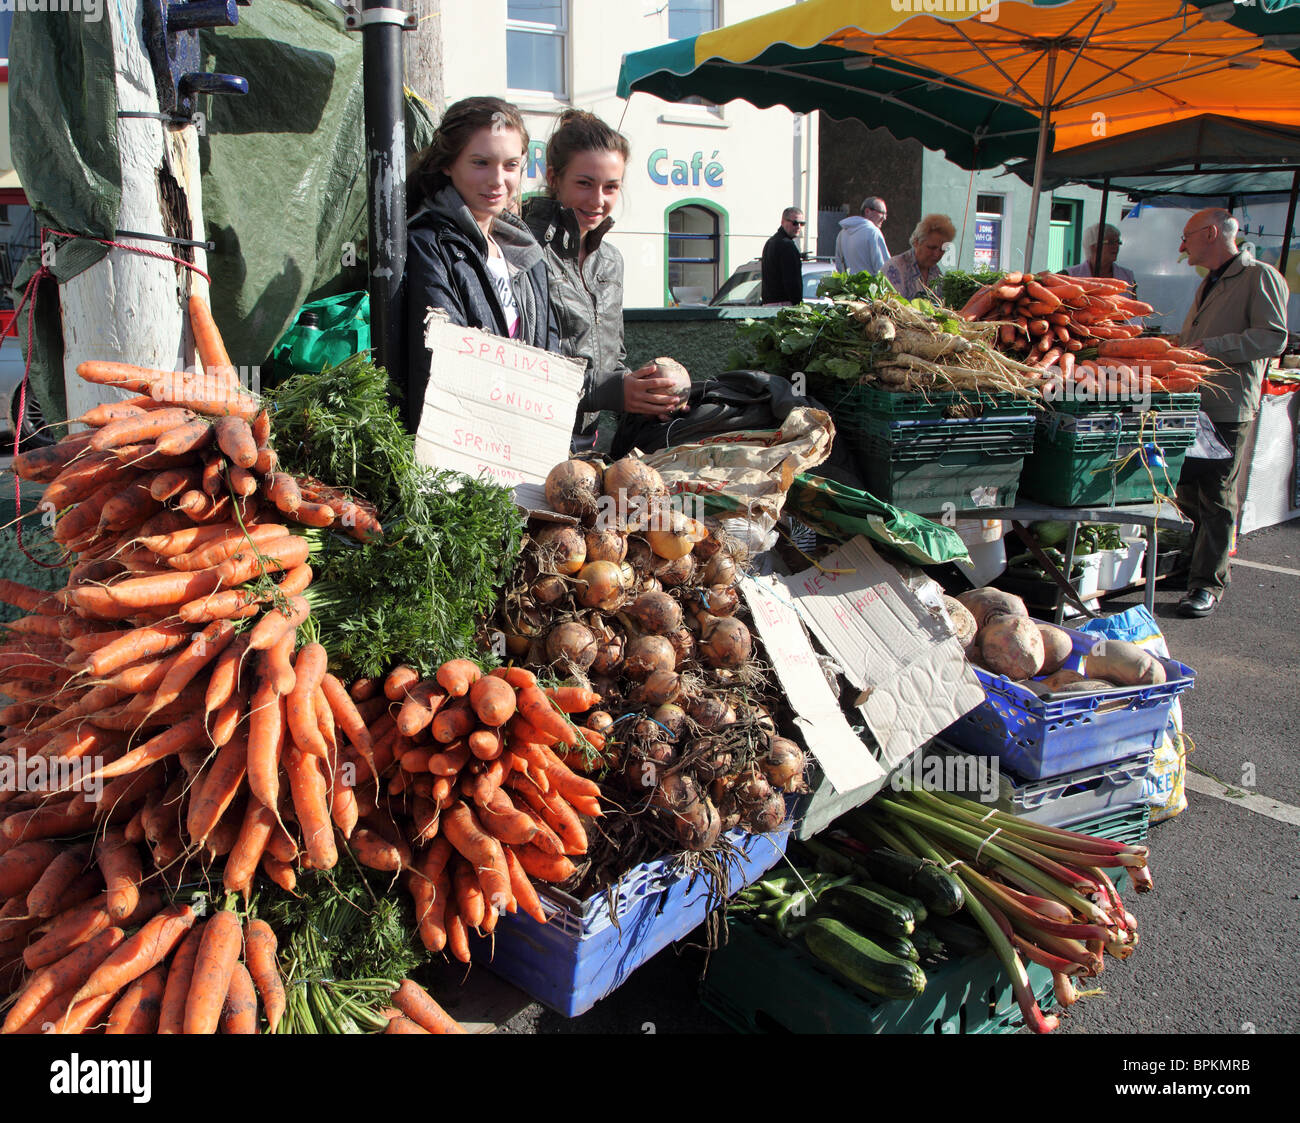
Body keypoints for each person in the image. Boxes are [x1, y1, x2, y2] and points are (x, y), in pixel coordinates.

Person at [522, 110, 689, 448]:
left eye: (610, 187)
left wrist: (647, 395)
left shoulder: (610, 260)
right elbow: (521, 368)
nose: (598, 200)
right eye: (584, 184)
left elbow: (612, 357)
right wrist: (614, 391)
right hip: (532, 440)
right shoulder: (523, 250)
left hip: (590, 444)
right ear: (554, 178)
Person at [405, 96, 558, 417]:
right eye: (481, 163)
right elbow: (444, 357)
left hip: (524, 435)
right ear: (448, 164)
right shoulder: (427, 245)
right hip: (462, 441)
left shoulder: (527, 255)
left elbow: (551, 354)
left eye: (510, 165)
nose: (497, 180)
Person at [1172, 207, 1289, 618]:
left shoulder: (1260, 276)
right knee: (1186, 490)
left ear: (1211, 232)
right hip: (1194, 401)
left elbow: (1274, 337)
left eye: (1187, 236)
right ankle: (1190, 566)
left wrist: (1214, 347)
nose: (1182, 245)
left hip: (1227, 405)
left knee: (1218, 495)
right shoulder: (1209, 283)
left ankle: (1208, 583)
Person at [884, 214, 954, 300]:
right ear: (916, 242)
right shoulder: (895, 267)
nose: (937, 254)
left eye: (942, 250)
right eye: (931, 248)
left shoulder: (936, 272)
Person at [833, 196, 890, 275]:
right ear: (867, 211)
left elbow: (839, 267)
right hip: (871, 286)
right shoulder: (873, 232)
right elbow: (884, 268)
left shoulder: (842, 234)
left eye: (886, 214)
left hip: (849, 286)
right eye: (882, 213)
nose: (884, 218)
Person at [1066, 223, 1136, 285]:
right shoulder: (1070, 276)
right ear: (1094, 247)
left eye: (1118, 242)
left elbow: (1133, 299)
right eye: (1111, 242)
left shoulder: (1127, 277)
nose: (1116, 246)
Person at [761, 207, 805, 305]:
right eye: (795, 223)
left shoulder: (771, 242)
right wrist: (798, 304)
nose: (798, 227)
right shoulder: (786, 245)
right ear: (783, 222)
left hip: (768, 304)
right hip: (783, 304)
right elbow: (791, 280)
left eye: (802, 224)